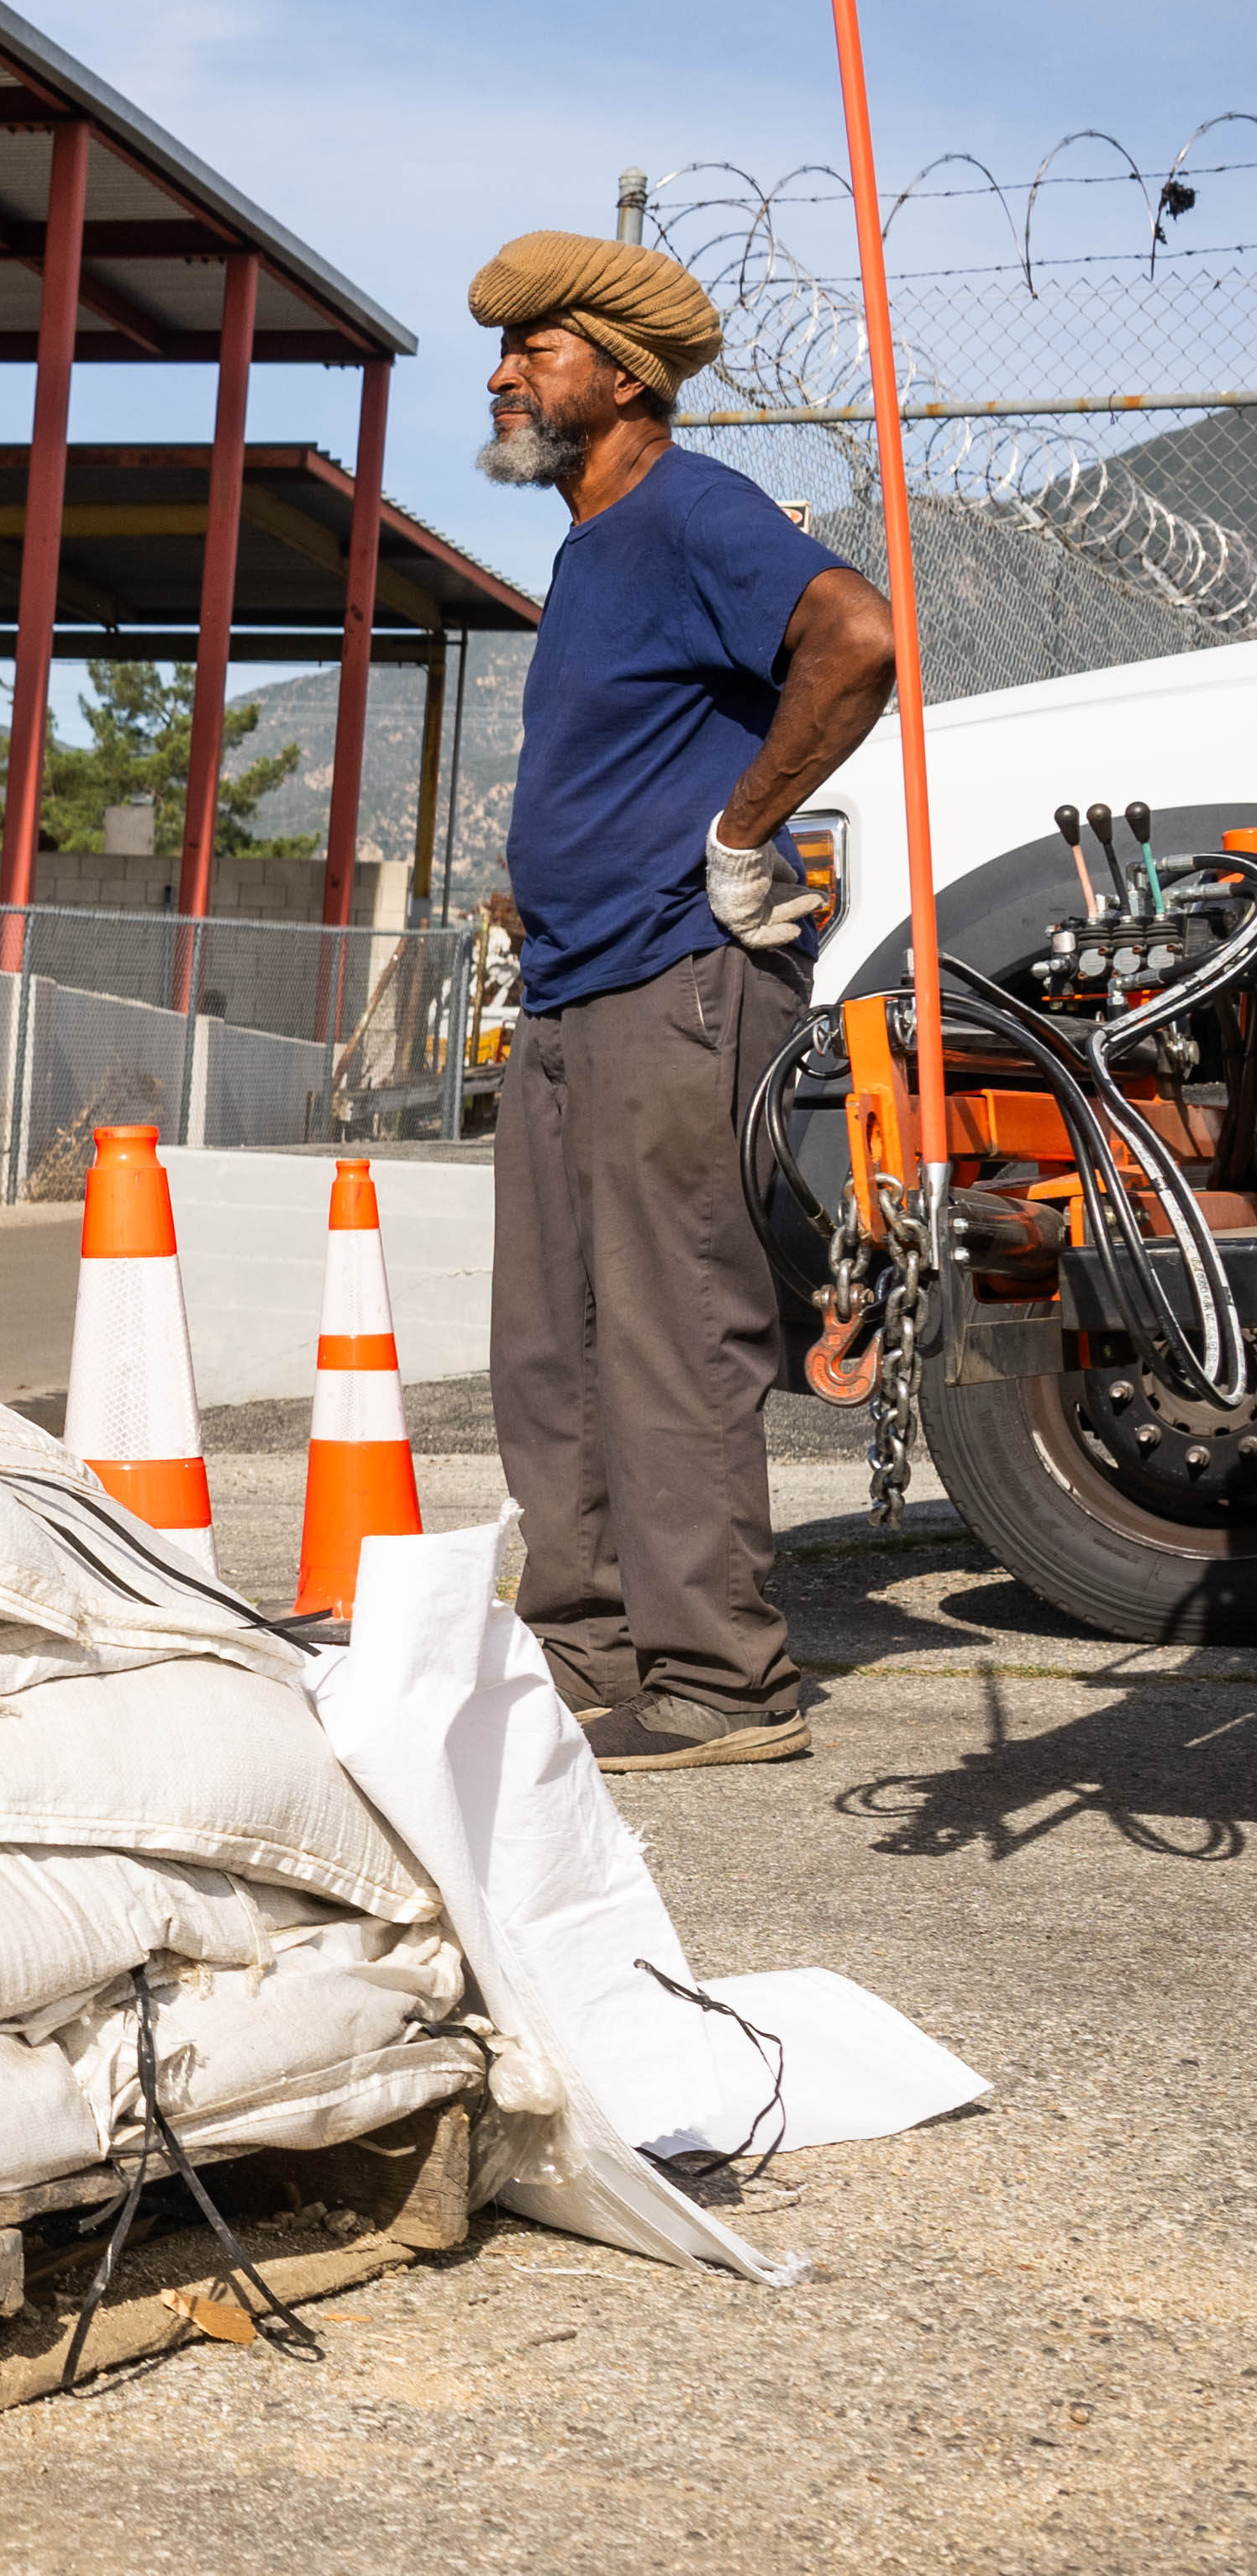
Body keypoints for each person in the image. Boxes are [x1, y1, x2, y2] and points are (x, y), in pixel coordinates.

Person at [471, 229, 896, 1772]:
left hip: (678, 982)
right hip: (578, 983)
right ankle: (579, 1646)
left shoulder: (689, 511)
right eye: (505, 347)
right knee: (548, 1341)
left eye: (535, 345)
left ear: (624, 376)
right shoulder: (594, 542)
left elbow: (854, 640)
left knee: (662, 1334)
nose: (504, 370)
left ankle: (722, 1682)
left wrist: (735, 833)